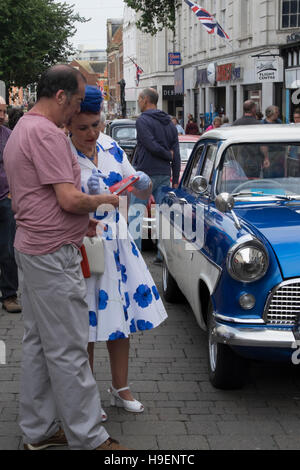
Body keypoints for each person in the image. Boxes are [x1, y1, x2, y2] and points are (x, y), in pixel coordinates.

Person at [3, 65, 127, 451]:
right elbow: (69, 198)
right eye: (75, 102)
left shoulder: (24, 128)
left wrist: (81, 221)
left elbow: (45, 200)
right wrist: (103, 201)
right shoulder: (46, 133)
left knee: (41, 345)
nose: (76, 112)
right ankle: (90, 438)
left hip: (35, 247)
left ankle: (37, 432)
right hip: (52, 255)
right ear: (60, 97)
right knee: (70, 349)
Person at [68, 85, 168, 419]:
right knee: (85, 326)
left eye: (95, 124)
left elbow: (140, 187)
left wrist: (142, 183)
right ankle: (86, 397)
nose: (91, 133)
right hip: (82, 247)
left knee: (119, 321)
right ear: (68, 124)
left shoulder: (111, 145)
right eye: (82, 127)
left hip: (117, 244)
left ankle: (120, 388)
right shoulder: (62, 154)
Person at [129, 88, 180, 264]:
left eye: (139, 99)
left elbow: (150, 144)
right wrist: (175, 178)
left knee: (135, 213)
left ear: (145, 100)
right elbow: (177, 152)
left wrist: (167, 155)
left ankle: (133, 254)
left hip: (144, 172)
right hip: (165, 173)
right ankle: (161, 255)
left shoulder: (142, 121)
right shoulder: (170, 123)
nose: (138, 102)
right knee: (163, 215)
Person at [0, 97, 21, 314]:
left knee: (7, 250)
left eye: (4, 111)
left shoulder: (8, 136)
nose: (2, 115)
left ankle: (9, 294)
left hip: (5, 199)